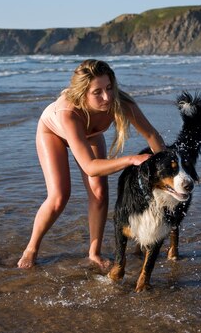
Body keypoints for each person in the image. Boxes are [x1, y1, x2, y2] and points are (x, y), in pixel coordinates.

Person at [17, 59, 165, 270]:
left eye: (109, 88)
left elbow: (151, 134)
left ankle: (94, 253)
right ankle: (31, 248)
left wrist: (169, 172)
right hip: (53, 133)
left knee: (99, 193)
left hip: (91, 135)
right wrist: (131, 159)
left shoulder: (120, 103)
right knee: (59, 196)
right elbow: (90, 166)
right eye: (97, 92)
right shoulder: (68, 113)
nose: (107, 97)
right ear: (83, 93)